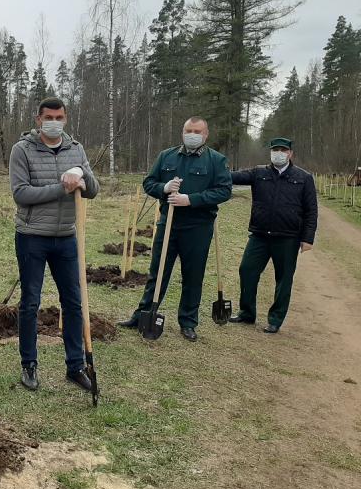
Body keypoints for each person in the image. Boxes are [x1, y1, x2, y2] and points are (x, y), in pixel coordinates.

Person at [9, 96, 99, 392]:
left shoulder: (76, 149)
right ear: (38, 119)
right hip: (32, 236)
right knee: (30, 302)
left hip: (66, 237)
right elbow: (21, 193)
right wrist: (62, 187)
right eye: (48, 117)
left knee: (73, 302)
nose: (54, 122)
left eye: (59, 118)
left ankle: (75, 366)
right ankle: (29, 364)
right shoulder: (22, 150)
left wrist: (81, 173)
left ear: (66, 119)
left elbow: (93, 190)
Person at [118, 117, 231, 341]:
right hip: (168, 223)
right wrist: (164, 187)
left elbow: (223, 191)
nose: (192, 135)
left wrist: (191, 199)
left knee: (193, 275)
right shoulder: (167, 156)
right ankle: (143, 314)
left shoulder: (216, 160)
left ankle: (188, 322)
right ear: (182, 132)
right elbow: (149, 183)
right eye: (188, 130)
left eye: (197, 131)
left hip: (198, 226)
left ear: (206, 134)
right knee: (157, 272)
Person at [228, 138, 318, 333]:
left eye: (283, 150)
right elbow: (232, 177)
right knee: (247, 270)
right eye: (275, 150)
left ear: (290, 153)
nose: (279, 153)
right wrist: (212, 169)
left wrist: (307, 238)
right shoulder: (259, 173)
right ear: (270, 152)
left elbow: (311, 211)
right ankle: (247, 313)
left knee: (284, 279)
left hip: (288, 238)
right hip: (259, 235)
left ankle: (275, 319)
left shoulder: (304, 177)